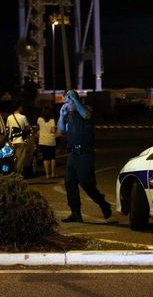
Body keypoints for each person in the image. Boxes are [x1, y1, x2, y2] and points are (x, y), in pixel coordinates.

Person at [58, 89, 111, 222]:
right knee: (70, 183)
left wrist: (74, 99)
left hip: (84, 154)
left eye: (67, 100)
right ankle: (75, 213)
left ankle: (103, 204)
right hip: (72, 154)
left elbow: (86, 115)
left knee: (86, 183)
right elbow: (61, 130)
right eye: (65, 100)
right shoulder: (68, 114)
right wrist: (61, 115)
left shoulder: (86, 110)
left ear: (74, 99)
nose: (65, 103)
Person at [6, 102, 30, 174]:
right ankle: (17, 174)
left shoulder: (9, 117)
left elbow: (7, 128)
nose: (22, 108)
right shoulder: (23, 117)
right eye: (21, 107)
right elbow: (27, 128)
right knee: (20, 159)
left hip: (12, 142)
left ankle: (13, 173)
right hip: (21, 141)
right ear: (19, 107)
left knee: (13, 158)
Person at [37, 106, 58, 178]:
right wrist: (55, 128)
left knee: (45, 158)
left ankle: (47, 175)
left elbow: (39, 128)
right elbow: (53, 131)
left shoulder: (39, 119)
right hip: (51, 141)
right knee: (52, 157)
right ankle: (53, 173)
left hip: (42, 141)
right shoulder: (52, 120)